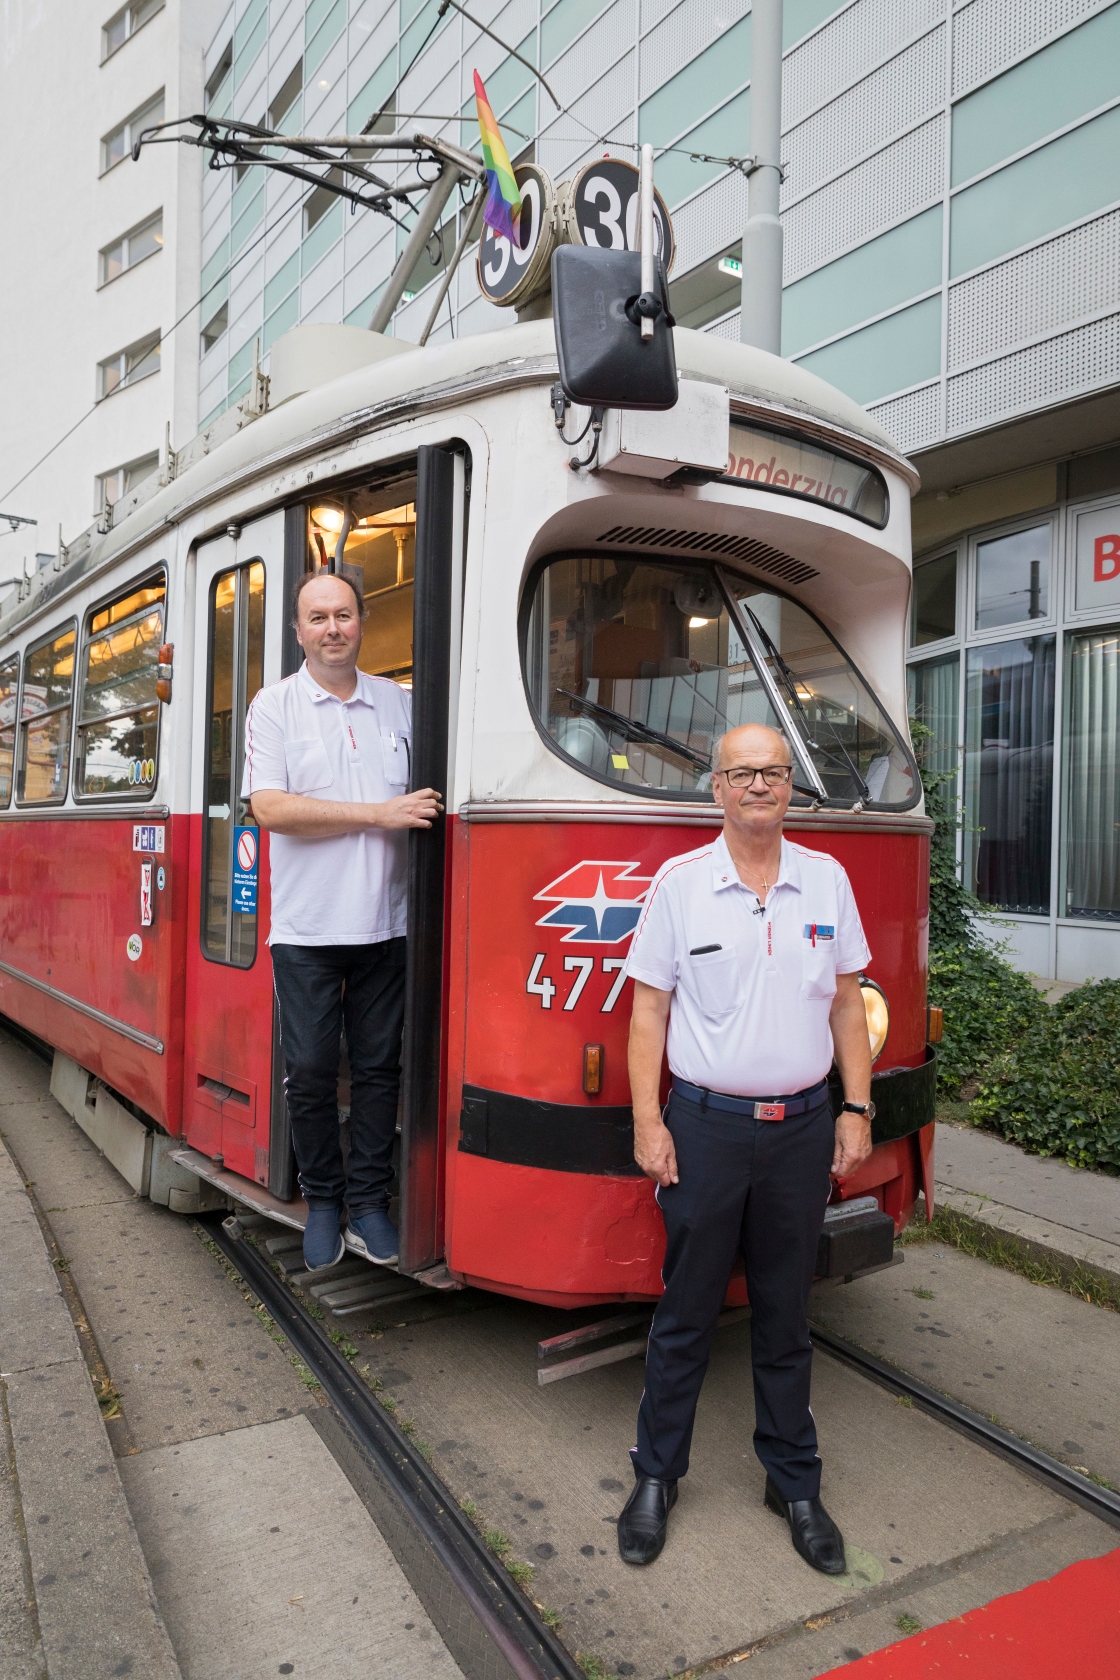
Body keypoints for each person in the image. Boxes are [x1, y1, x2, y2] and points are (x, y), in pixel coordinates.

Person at [617, 722, 874, 1574]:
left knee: (785, 1315)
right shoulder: (682, 884)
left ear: (790, 788)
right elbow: (648, 1010)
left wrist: (856, 1107)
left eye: (773, 772)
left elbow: (846, 1004)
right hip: (705, 1129)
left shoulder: (827, 881)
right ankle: (656, 1476)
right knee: (686, 1314)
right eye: (742, 773)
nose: (759, 785)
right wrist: (648, 1123)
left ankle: (793, 1482)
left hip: (802, 1129)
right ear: (717, 789)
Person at [244, 570, 442, 1273]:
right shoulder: (274, 707)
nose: (333, 628)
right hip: (306, 932)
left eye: (344, 615)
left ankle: (368, 1202)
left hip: (387, 925)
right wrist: (378, 814)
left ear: (362, 624)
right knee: (311, 1069)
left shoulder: (402, 704)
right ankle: (322, 1199)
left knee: (380, 1070)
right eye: (317, 617)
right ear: (298, 631)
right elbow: (270, 809)